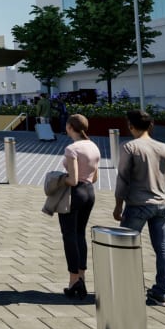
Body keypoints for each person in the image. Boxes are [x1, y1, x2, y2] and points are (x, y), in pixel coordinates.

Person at [115, 110, 165, 307]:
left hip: (137, 204)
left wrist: (118, 205)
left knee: (124, 248)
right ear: (151, 126)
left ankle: (126, 289)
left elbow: (123, 179)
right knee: (163, 248)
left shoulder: (129, 148)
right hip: (162, 205)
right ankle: (162, 292)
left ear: (131, 126)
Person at [57, 114, 101, 299]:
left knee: (69, 235)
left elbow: (73, 180)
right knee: (80, 234)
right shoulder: (93, 145)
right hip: (90, 192)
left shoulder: (72, 149)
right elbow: (95, 176)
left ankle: (73, 280)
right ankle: (82, 276)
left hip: (75, 194)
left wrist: (58, 180)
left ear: (69, 127)